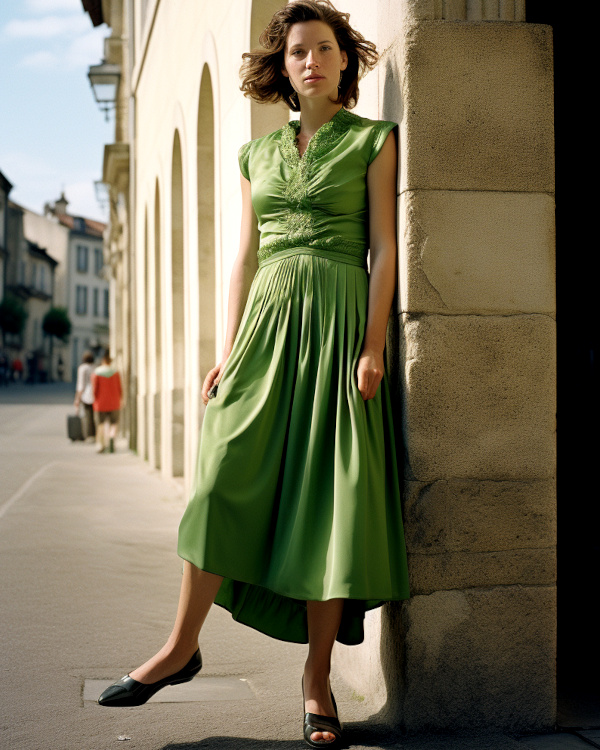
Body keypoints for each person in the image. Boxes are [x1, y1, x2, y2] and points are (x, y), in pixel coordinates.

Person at [98, 1, 410, 746]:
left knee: (330, 503)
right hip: (267, 329)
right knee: (220, 477)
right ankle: (179, 648)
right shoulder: (255, 156)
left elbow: (387, 250)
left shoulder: (374, 140)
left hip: (337, 326)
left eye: (325, 49)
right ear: (283, 64)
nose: (311, 60)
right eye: (298, 50)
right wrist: (227, 347)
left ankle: (316, 679)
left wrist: (373, 344)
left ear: (345, 62)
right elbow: (243, 258)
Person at [91, 351, 122, 453]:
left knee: (100, 424)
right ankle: (112, 438)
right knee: (114, 423)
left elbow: (94, 389)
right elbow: (119, 388)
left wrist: (94, 399)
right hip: (114, 402)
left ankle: (101, 444)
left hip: (100, 403)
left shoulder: (97, 372)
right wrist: (120, 399)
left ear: (103, 361)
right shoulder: (116, 372)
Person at [74, 351, 96, 440]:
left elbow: (81, 385)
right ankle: (95, 434)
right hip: (95, 394)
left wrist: (77, 399)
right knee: (94, 415)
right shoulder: (95, 367)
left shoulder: (82, 368)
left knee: (87, 416)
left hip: (86, 395)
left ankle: (88, 435)